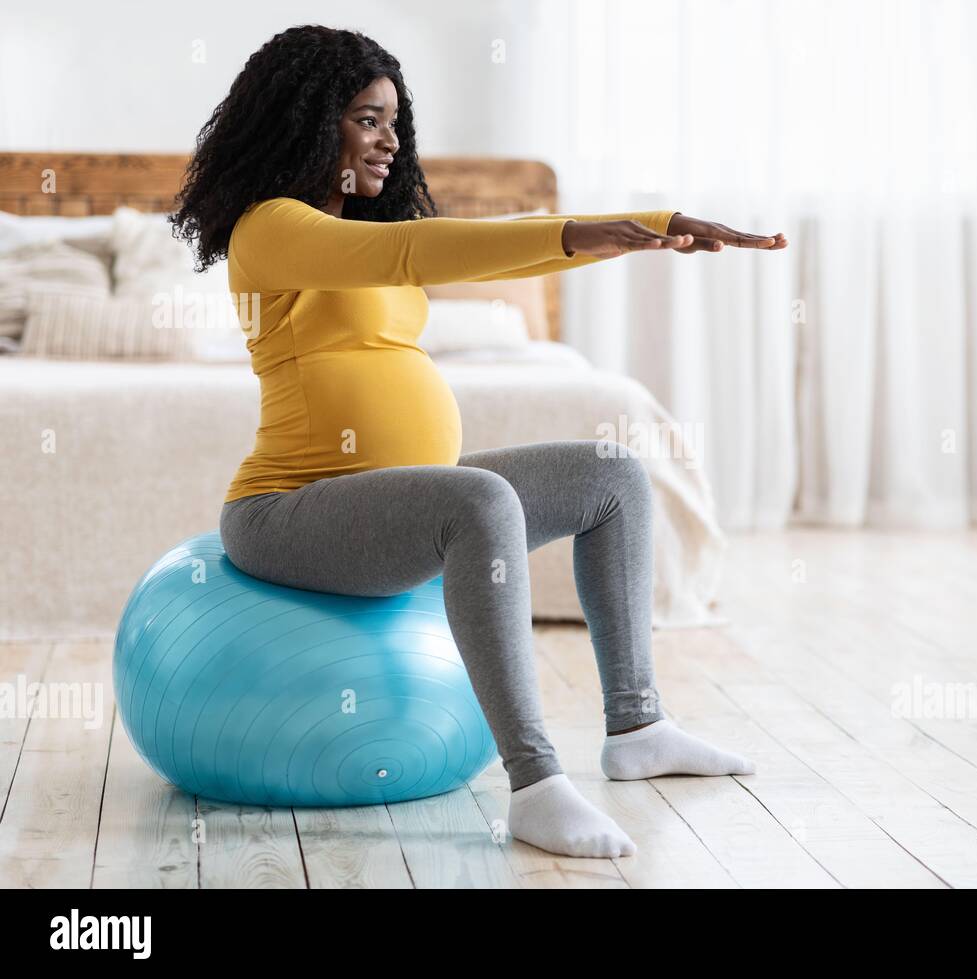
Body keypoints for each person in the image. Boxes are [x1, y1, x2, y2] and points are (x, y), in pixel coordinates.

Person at [170, 25, 787, 859]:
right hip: (287, 512)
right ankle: (534, 783)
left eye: (394, 119)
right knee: (479, 497)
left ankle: (638, 725)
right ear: (309, 122)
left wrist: (644, 227)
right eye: (366, 118)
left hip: (403, 499)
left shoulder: (355, 227)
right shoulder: (272, 227)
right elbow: (417, 247)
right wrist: (589, 228)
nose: (390, 139)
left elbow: (467, 259)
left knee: (612, 474)